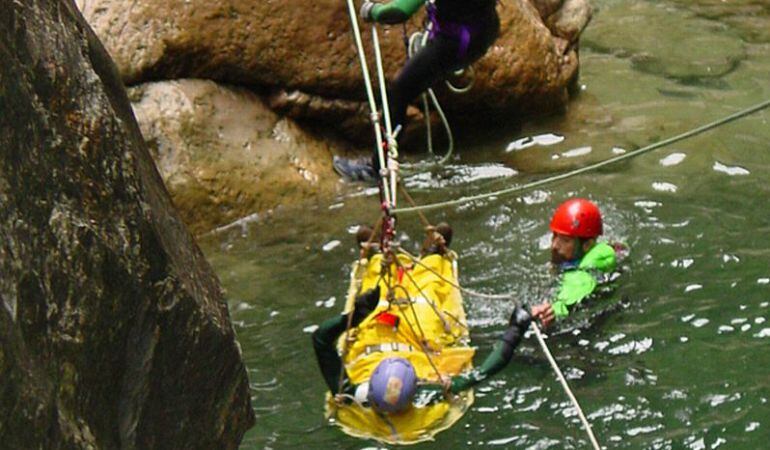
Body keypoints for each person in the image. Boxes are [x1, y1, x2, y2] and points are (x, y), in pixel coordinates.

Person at [333, 0, 501, 182]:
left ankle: (377, 167)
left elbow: (398, 12)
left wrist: (372, 11)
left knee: (400, 93)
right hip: (483, 32)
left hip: (451, 43)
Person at [311, 287, 533, 413]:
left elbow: (321, 339)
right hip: (418, 339)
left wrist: (355, 317)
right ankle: (434, 252)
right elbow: (485, 370)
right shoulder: (426, 395)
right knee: (427, 298)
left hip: (377, 338)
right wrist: (515, 330)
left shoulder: (353, 395)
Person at [530, 198, 623, 328]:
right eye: (554, 236)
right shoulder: (588, 253)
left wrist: (554, 311)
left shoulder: (585, 271)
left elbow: (576, 287)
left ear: (587, 245)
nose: (554, 246)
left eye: (565, 240)